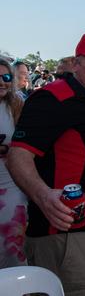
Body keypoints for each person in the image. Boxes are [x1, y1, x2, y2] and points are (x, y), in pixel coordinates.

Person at [7, 31, 85, 295]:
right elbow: (18, 155)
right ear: (76, 64)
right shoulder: (53, 98)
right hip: (69, 235)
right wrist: (43, 196)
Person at [0, 58, 26, 268]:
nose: (2, 82)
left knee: (13, 243)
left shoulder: (17, 103)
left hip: (11, 184)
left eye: (6, 77)